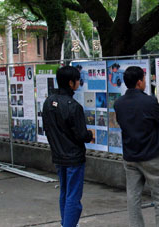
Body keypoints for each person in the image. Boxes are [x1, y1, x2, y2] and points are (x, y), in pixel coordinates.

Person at [114, 66, 159, 227]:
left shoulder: (119, 104)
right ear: (139, 82)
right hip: (152, 155)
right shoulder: (149, 101)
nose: (146, 82)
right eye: (145, 79)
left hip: (131, 155)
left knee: (133, 197)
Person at [42, 66, 93, 227]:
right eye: (78, 80)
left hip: (58, 155)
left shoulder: (49, 102)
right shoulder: (73, 106)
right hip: (73, 157)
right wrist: (90, 135)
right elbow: (81, 135)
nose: (79, 83)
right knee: (73, 196)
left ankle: (66, 222)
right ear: (71, 83)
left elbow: (48, 127)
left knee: (64, 191)